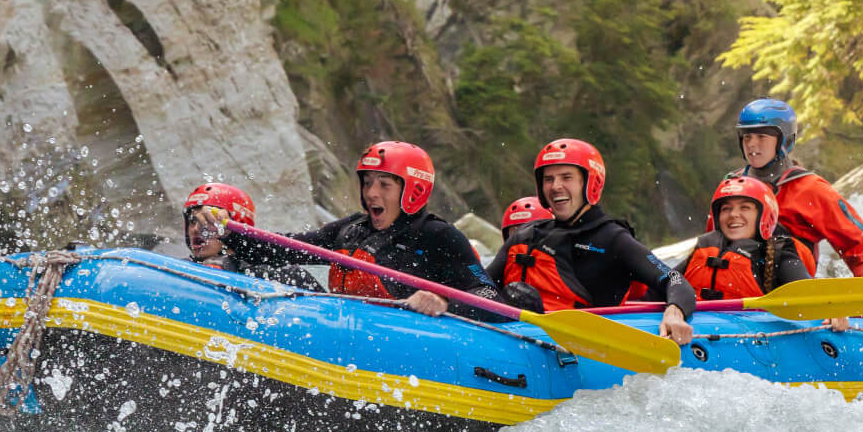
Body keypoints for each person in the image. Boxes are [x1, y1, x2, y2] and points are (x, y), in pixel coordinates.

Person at [205, 142, 502, 319]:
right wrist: (229, 235)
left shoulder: (438, 235)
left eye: (384, 184)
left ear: (414, 190)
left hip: (408, 349)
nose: (371, 193)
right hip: (348, 336)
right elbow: (285, 247)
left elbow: (489, 295)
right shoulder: (351, 229)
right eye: (367, 182)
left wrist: (444, 302)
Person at [488, 139, 697, 344]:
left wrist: (674, 312)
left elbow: (675, 280)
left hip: (579, 349)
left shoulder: (613, 239)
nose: (555, 186)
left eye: (566, 177)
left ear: (589, 182)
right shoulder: (525, 235)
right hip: (515, 337)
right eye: (548, 179)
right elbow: (481, 283)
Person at [726, 98, 863, 277]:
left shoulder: (811, 189)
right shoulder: (731, 186)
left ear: (785, 141)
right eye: (747, 137)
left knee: (780, 246)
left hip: (790, 283)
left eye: (761, 136)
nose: (752, 144)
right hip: (736, 282)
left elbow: (858, 244)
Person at [677, 176, 813, 300]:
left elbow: (810, 295)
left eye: (745, 207)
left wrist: (831, 313)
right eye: (726, 209)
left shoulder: (779, 254)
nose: (733, 214)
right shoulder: (703, 249)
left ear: (765, 216)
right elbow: (665, 282)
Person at [182, 183, 323, 291]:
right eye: (193, 221)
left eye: (208, 222)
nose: (195, 229)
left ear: (236, 226)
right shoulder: (180, 267)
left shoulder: (280, 277)